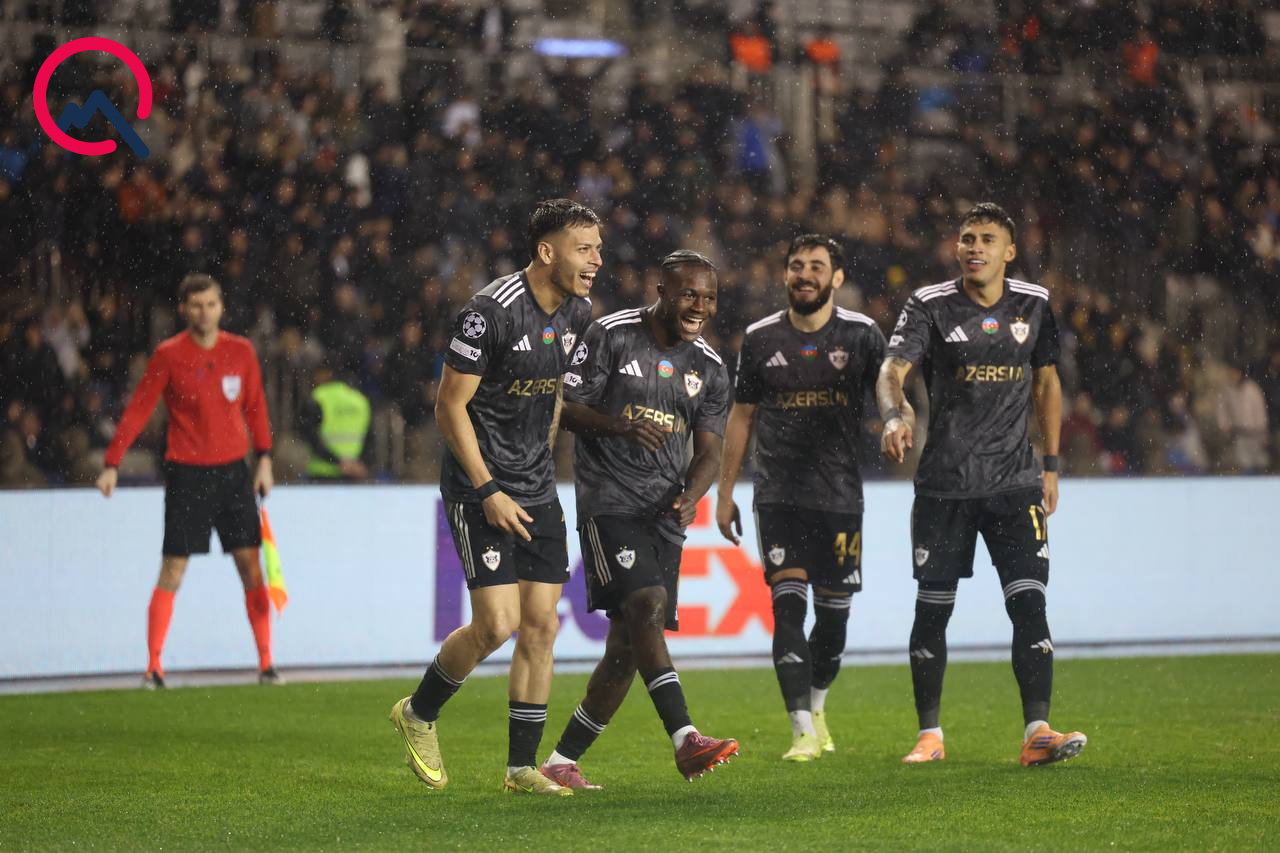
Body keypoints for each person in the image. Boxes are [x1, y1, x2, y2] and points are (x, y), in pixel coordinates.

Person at [389, 199, 599, 795]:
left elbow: (554, 396)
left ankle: (519, 769)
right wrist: (488, 489)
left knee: (541, 626)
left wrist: (543, 467)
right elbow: (448, 406)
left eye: (598, 249)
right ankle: (418, 712)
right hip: (477, 487)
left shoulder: (579, 313)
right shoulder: (490, 313)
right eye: (584, 249)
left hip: (537, 488)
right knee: (497, 624)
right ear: (547, 251)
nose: (596, 261)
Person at [877, 203, 1086, 767]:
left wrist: (1051, 465)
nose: (975, 247)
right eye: (968, 238)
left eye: (987, 239)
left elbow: (1047, 383)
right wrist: (894, 415)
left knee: (1029, 603)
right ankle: (929, 735)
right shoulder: (929, 304)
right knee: (933, 611)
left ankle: (1037, 732)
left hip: (1015, 485)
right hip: (945, 485)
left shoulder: (1034, 304)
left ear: (1009, 251)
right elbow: (893, 369)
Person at [539, 250, 738, 790]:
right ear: (662, 290)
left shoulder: (711, 368)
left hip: (665, 515)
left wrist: (692, 495)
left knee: (627, 650)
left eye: (709, 297)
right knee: (646, 604)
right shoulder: (611, 334)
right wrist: (618, 426)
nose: (699, 307)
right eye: (689, 294)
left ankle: (559, 761)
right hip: (609, 503)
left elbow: (710, 453)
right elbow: (564, 406)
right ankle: (685, 738)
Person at [715, 234, 886, 761]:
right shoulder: (761, 338)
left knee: (833, 621)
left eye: (816, 266)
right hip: (779, 494)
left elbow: (890, 390)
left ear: (837, 277)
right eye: (796, 265)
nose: (804, 274)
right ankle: (801, 731)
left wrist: (896, 420)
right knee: (787, 610)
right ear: (785, 274)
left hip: (839, 496)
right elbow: (741, 416)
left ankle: (817, 707)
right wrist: (725, 492)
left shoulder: (862, 335)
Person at [95, 274, 279, 688]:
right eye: (196, 305)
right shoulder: (169, 355)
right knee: (173, 568)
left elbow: (256, 406)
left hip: (234, 473)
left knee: (251, 567)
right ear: (183, 309)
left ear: (221, 307)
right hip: (187, 473)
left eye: (210, 304)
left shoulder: (241, 351)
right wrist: (112, 462)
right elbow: (139, 409)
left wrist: (264, 459)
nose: (204, 312)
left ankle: (267, 663)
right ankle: (154, 666)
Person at [299, 360, 374, 481]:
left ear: (327, 374)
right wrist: (362, 463)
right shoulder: (360, 400)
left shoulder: (318, 397)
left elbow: (308, 435)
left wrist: (337, 461)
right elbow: (370, 438)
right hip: (354, 474)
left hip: (322, 474)